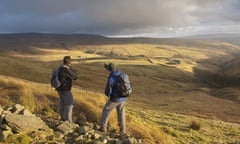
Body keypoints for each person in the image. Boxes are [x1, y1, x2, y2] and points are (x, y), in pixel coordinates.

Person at [100, 63, 127, 136]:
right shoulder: (123, 75)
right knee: (121, 113)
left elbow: (108, 91)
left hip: (115, 99)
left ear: (109, 69)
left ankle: (103, 128)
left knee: (106, 110)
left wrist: (109, 95)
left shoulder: (111, 78)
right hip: (124, 98)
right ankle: (123, 131)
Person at [56, 56, 78, 122]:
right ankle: (68, 120)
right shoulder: (66, 70)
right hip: (66, 89)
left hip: (59, 89)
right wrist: (71, 68)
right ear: (69, 63)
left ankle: (62, 118)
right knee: (69, 104)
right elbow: (75, 77)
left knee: (62, 103)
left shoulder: (60, 68)